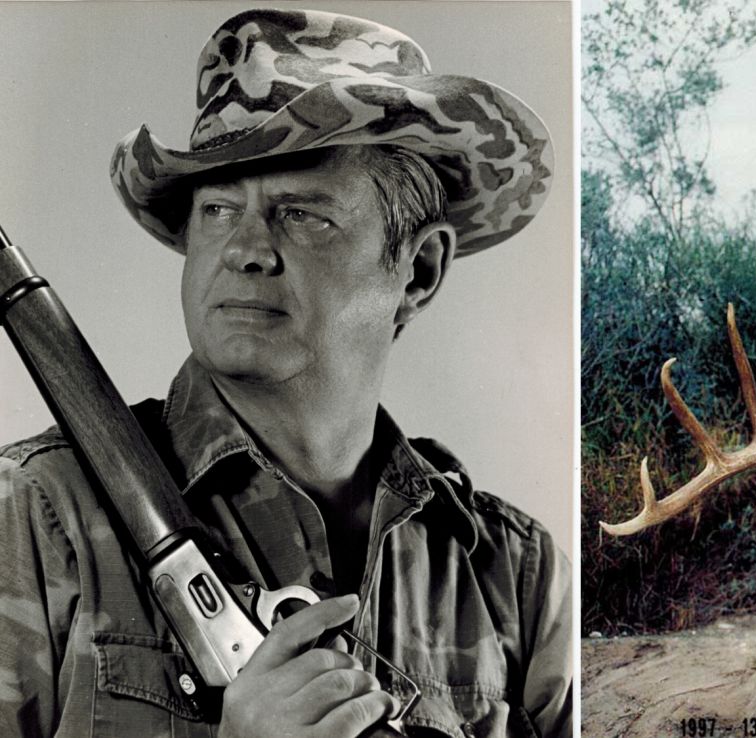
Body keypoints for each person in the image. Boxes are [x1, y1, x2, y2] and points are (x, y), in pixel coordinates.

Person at [0, 9, 570, 737]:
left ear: (420, 270)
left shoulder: (514, 579)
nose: (244, 249)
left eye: (302, 214)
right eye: (216, 209)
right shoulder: (36, 515)